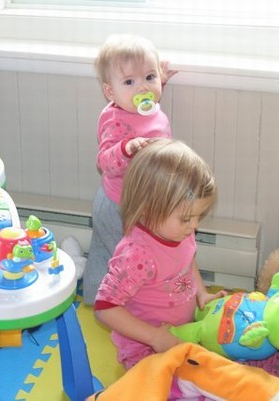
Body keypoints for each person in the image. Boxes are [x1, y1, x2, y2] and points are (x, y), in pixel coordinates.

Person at [94, 138, 227, 370]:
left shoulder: (180, 232)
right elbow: (105, 308)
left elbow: (187, 261)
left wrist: (201, 293)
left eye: (199, 216)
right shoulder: (137, 255)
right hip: (145, 348)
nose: (194, 225)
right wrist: (155, 337)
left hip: (183, 332)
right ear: (148, 208)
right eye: (186, 218)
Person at [83, 34, 177, 305]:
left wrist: (159, 81)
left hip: (144, 198)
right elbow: (104, 162)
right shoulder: (116, 120)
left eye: (149, 77)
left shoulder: (145, 106)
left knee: (123, 254)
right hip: (119, 205)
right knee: (118, 256)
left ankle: (113, 297)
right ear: (110, 92)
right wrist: (125, 149)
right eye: (129, 82)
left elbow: (146, 96)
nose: (142, 89)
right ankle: (105, 301)